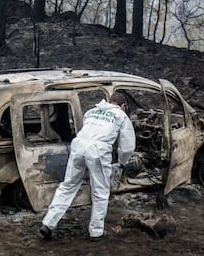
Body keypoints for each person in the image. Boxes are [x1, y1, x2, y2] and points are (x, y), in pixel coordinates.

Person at [40, 92, 136, 242]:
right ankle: (96, 232)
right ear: (123, 106)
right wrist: (122, 163)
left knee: (68, 186)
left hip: (78, 146)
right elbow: (127, 146)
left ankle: (48, 223)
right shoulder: (120, 116)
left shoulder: (91, 111)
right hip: (98, 150)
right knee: (100, 191)